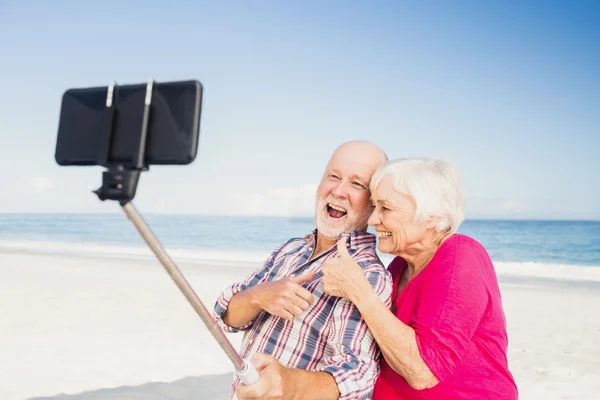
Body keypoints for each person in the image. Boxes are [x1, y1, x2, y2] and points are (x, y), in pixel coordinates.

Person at [321, 158, 518, 399]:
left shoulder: (460, 256)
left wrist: (359, 291)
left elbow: (423, 371)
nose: (373, 220)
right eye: (374, 207)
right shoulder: (399, 266)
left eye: (386, 208)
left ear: (433, 217)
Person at [213, 141, 394, 400]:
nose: (339, 191)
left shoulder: (367, 273)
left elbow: (358, 375)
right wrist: (258, 296)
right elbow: (225, 318)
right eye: (334, 176)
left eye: (357, 184)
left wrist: (288, 383)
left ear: (374, 203)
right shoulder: (291, 249)